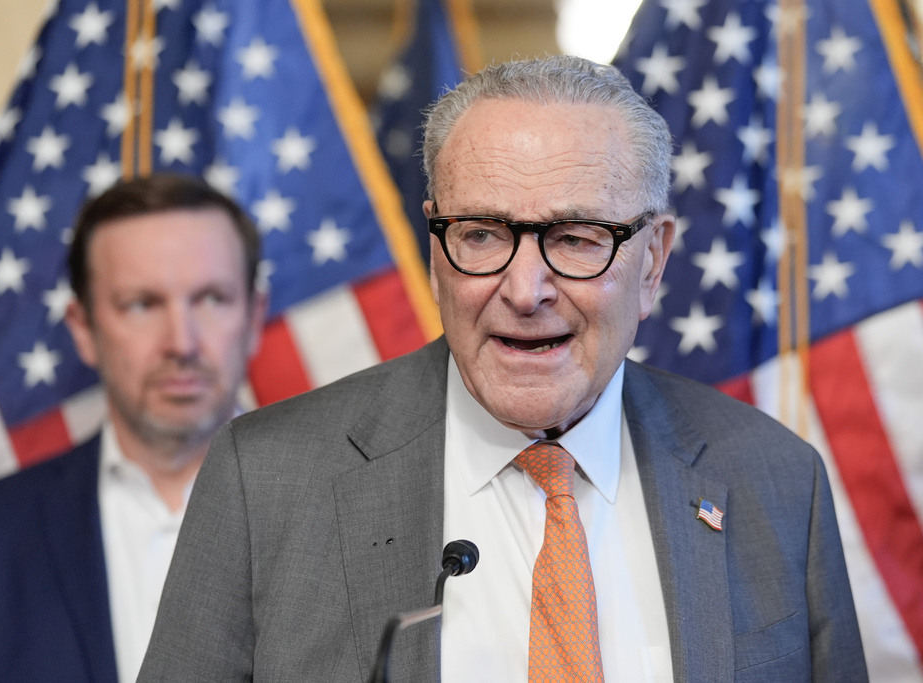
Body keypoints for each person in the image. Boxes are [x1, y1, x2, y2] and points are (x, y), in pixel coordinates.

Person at [138, 57, 867, 682]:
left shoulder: (775, 479)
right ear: (435, 251)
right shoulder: (263, 480)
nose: (525, 290)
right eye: (481, 234)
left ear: (653, 262)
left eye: (578, 238)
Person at [0, 173, 266, 683]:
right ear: (83, 329)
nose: (182, 342)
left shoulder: (350, 512)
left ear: (254, 319)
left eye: (211, 299)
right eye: (142, 304)